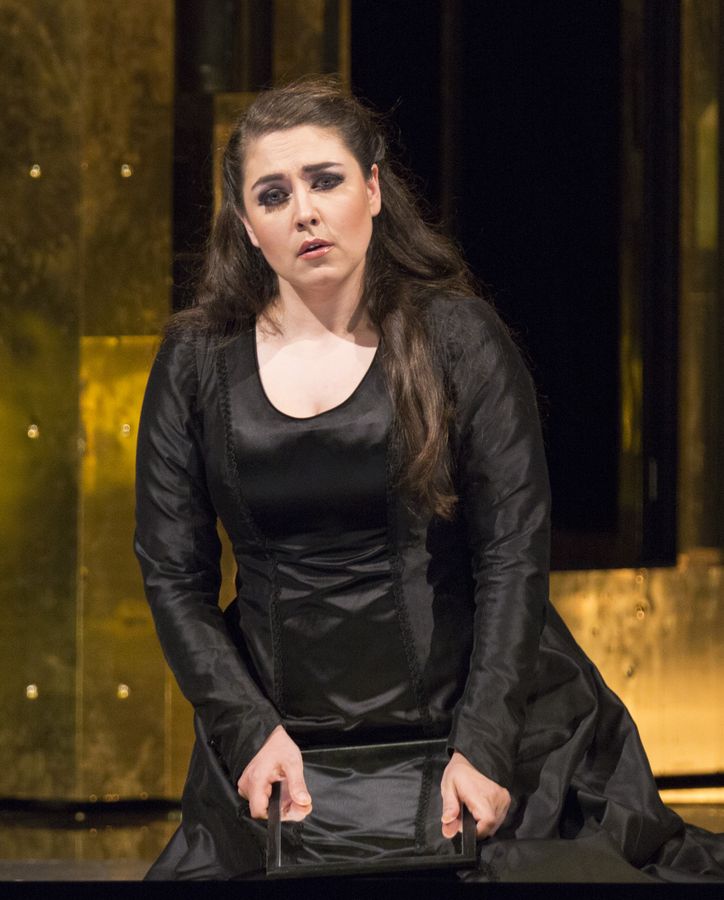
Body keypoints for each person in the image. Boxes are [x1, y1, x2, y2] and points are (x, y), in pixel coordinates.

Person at [134, 77, 724, 882]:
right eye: (273, 194)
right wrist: (246, 731)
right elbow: (173, 573)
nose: (303, 211)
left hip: (475, 735)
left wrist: (484, 744)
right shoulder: (196, 362)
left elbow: (512, 554)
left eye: (326, 181)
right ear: (246, 224)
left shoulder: (457, 339)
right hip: (284, 753)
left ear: (373, 190)